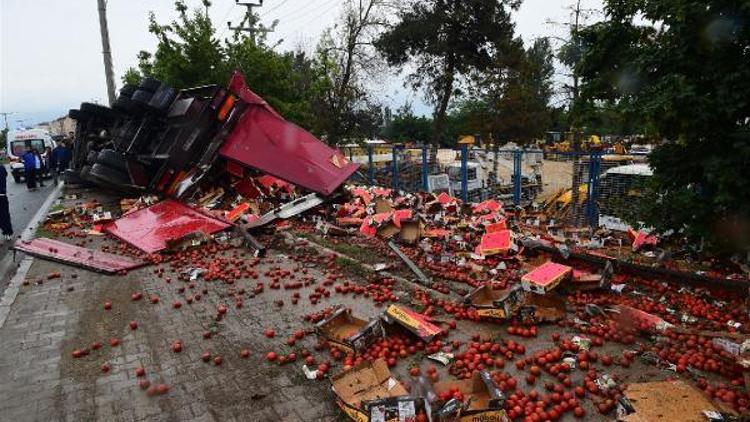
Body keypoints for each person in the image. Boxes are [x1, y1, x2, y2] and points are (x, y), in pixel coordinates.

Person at [0, 165, 12, 241]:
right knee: (5, 215)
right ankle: (7, 233)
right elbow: (6, 174)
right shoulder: (2, 168)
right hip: (2, 195)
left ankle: (6, 232)